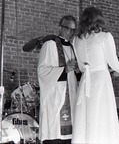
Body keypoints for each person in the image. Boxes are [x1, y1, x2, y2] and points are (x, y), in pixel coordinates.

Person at [71, 6, 119, 144]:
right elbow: (114, 63)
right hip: (100, 80)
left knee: (86, 116)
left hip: (85, 81)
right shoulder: (105, 36)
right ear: (99, 19)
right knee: (101, 116)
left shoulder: (76, 40)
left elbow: (82, 67)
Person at [37, 15, 80, 144]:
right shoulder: (50, 45)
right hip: (55, 96)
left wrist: (78, 71)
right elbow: (42, 71)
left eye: (73, 30)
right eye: (68, 29)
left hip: (71, 94)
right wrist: (64, 70)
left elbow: (76, 75)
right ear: (60, 27)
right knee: (55, 134)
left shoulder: (73, 47)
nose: (71, 33)